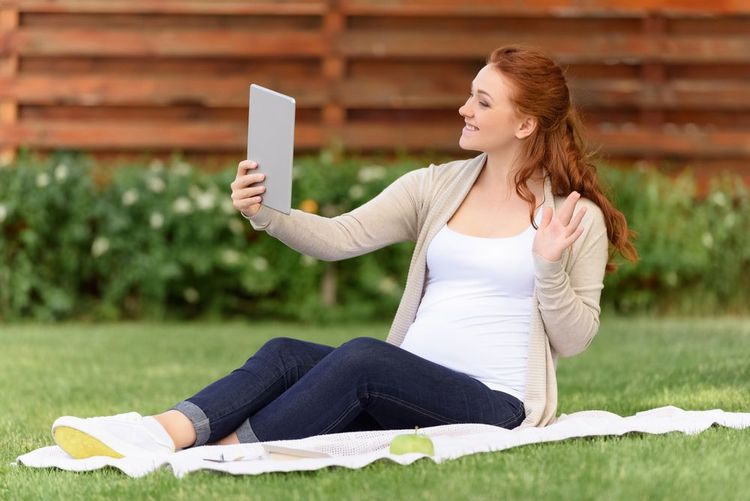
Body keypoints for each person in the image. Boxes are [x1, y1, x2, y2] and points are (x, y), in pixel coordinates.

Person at [50, 45, 637, 459]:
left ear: (526, 122)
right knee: (284, 352)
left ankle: (226, 452)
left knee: (361, 358)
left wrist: (547, 266)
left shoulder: (573, 217)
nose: (465, 108)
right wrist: (265, 214)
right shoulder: (436, 186)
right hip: (412, 378)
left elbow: (575, 338)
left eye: (483, 102)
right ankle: (161, 433)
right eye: (469, 95)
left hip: (496, 401)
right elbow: (339, 238)